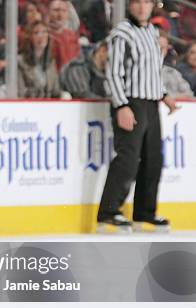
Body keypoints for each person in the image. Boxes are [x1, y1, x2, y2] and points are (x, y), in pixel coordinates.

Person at [97, 0, 178, 232]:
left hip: (151, 103)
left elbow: (152, 70)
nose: (142, 7)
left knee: (153, 160)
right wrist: (121, 105)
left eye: (146, 2)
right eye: (137, 2)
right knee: (128, 159)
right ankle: (109, 212)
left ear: (153, 6)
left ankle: (145, 211)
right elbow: (113, 73)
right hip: (130, 102)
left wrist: (163, 94)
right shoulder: (122, 33)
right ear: (129, 6)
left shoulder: (152, 32)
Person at [17, 20, 60, 98]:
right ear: (29, 37)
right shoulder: (20, 62)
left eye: (44, 32)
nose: (41, 36)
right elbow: (21, 93)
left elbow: (56, 91)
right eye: (36, 33)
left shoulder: (51, 62)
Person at [47, 0, 80, 71]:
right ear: (49, 12)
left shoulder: (72, 36)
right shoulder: (44, 35)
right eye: (56, 10)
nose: (60, 15)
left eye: (64, 11)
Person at [159, 34, 193, 98]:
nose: (160, 51)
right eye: (158, 47)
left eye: (163, 48)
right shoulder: (140, 71)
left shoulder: (173, 72)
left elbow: (189, 95)